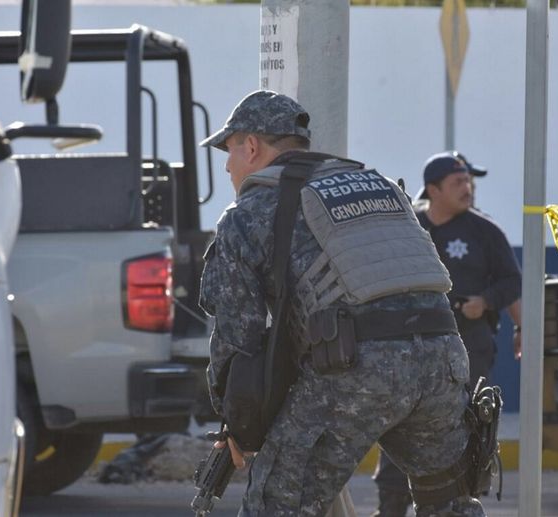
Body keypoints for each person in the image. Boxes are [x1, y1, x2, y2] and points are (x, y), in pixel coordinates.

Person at [198, 90, 486, 517]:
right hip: (443, 360)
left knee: (278, 504)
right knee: (449, 501)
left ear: (252, 147)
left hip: (355, 366)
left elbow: (238, 337)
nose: (226, 166)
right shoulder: (380, 185)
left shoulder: (250, 211)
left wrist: (237, 427)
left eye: (230, 151)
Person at [372, 151, 521, 517]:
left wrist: (488, 303)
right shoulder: (408, 226)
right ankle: (390, 507)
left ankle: (461, 506)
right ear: (433, 189)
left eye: (468, 182)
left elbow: (512, 281)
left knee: (465, 429)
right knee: (398, 424)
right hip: (408, 348)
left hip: (468, 343)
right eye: (458, 183)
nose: (467, 188)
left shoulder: (484, 231)